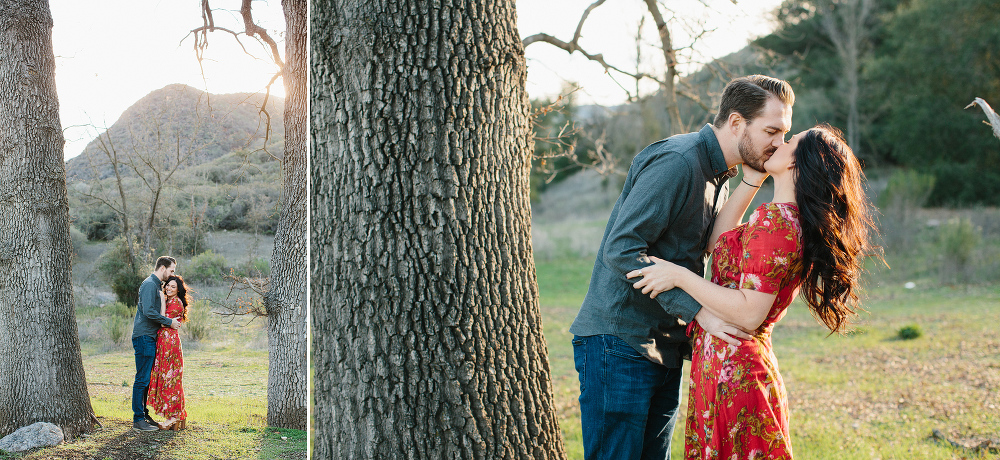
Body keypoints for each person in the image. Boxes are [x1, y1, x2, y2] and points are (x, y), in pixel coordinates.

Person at [569, 75, 794, 458]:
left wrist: (751, 182)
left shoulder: (719, 173)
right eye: (771, 130)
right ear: (737, 123)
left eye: (785, 133)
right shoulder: (679, 161)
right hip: (620, 343)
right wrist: (697, 312)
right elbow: (622, 249)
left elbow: (710, 246)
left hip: (665, 345)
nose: (779, 143)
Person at [628, 125, 879, 458]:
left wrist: (679, 276)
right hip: (727, 367)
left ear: (797, 163)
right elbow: (719, 245)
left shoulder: (776, 222)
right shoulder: (781, 218)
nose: (779, 142)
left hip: (737, 371)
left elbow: (748, 313)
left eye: (789, 141)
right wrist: (751, 180)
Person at [132, 256, 181, 432]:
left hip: (149, 337)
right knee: (142, 379)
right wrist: (168, 322)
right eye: (171, 270)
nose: (172, 274)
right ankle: (138, 419)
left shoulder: (155, 285)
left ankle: (143, 415)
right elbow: (148, 311)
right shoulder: (149, 284)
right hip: (144, 336)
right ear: (162, 268)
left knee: (146, 380)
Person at [147, 275, 191, 430]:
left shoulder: (176, 303)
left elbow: (161, 319)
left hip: (170, 343)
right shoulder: (168, 300)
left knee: (171, 379)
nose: (169, 289)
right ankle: (174, 415)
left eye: (173, 287)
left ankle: (175, 416)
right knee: (166, 378)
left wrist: (160, 297)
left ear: (178, 289)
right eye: (167, 286)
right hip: (163, 342)